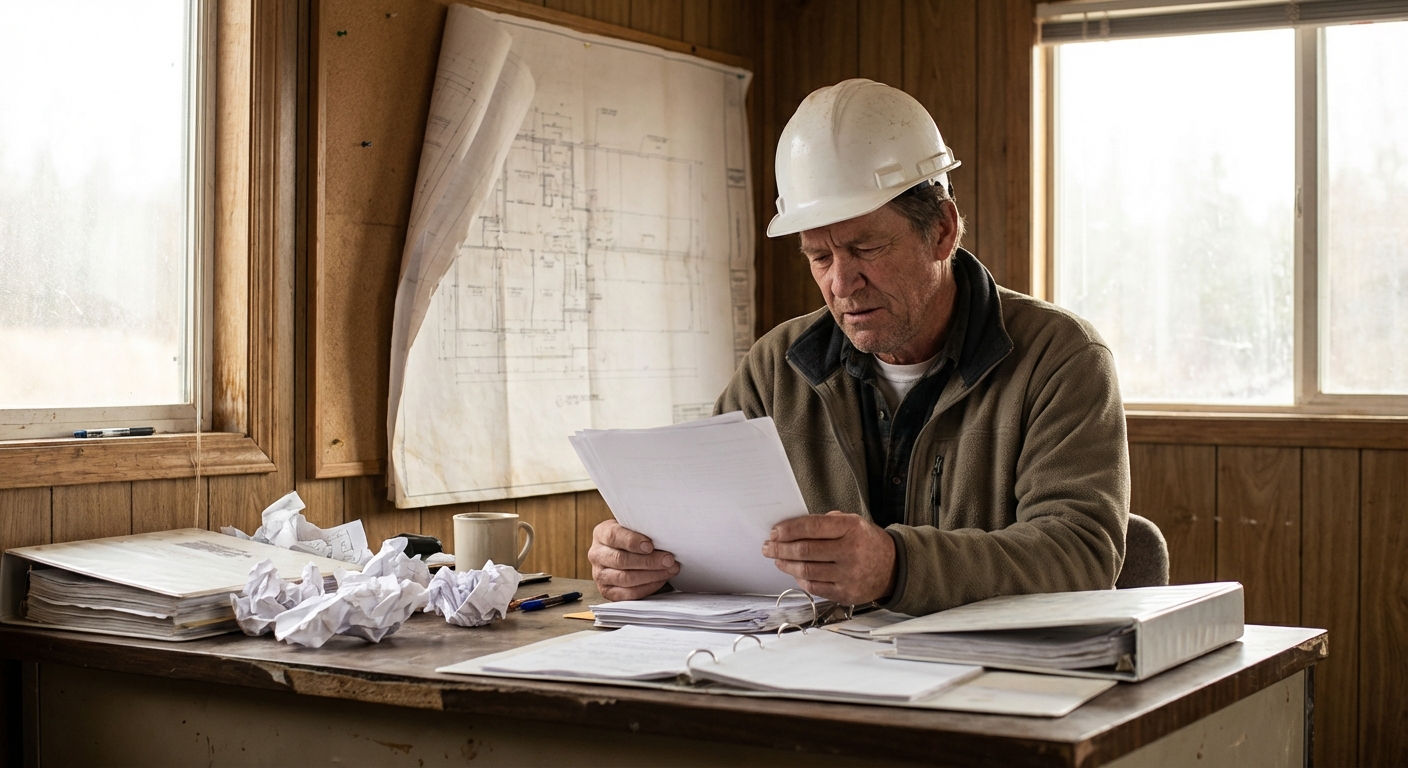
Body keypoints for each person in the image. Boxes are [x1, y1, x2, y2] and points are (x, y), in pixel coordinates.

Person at [589, 79, 1129, 616]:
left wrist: (897, 566)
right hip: (807, 678)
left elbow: (1080, 555)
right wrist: (643, 566)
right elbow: (701, 535)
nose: (841, 284)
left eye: (866, 247)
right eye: (819, 257)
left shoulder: (1061, 360)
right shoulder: (775, 370)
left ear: (942, 231)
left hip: (989, 684)